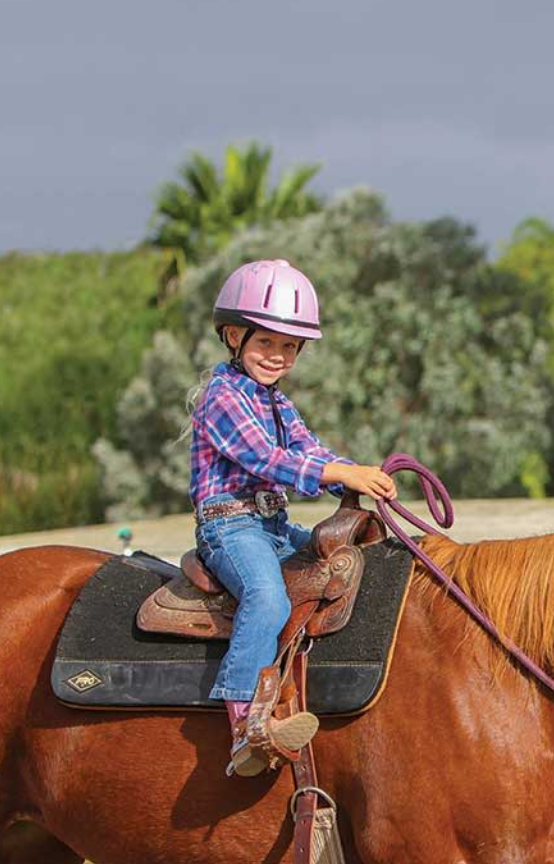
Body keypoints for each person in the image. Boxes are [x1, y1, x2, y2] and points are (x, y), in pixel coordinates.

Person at [189, 259, 397, 776]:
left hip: (274, 526)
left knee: (354, 561)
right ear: (233, 336)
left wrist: (357, 474)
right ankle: (246, 722)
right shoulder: (222, 397)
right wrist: (339, 475)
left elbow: (309, 449)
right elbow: (266, 459)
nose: (277, 356)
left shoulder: (278, 403)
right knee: (267, 597)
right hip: (231, 526)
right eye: (265, 343)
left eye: (288, 347)